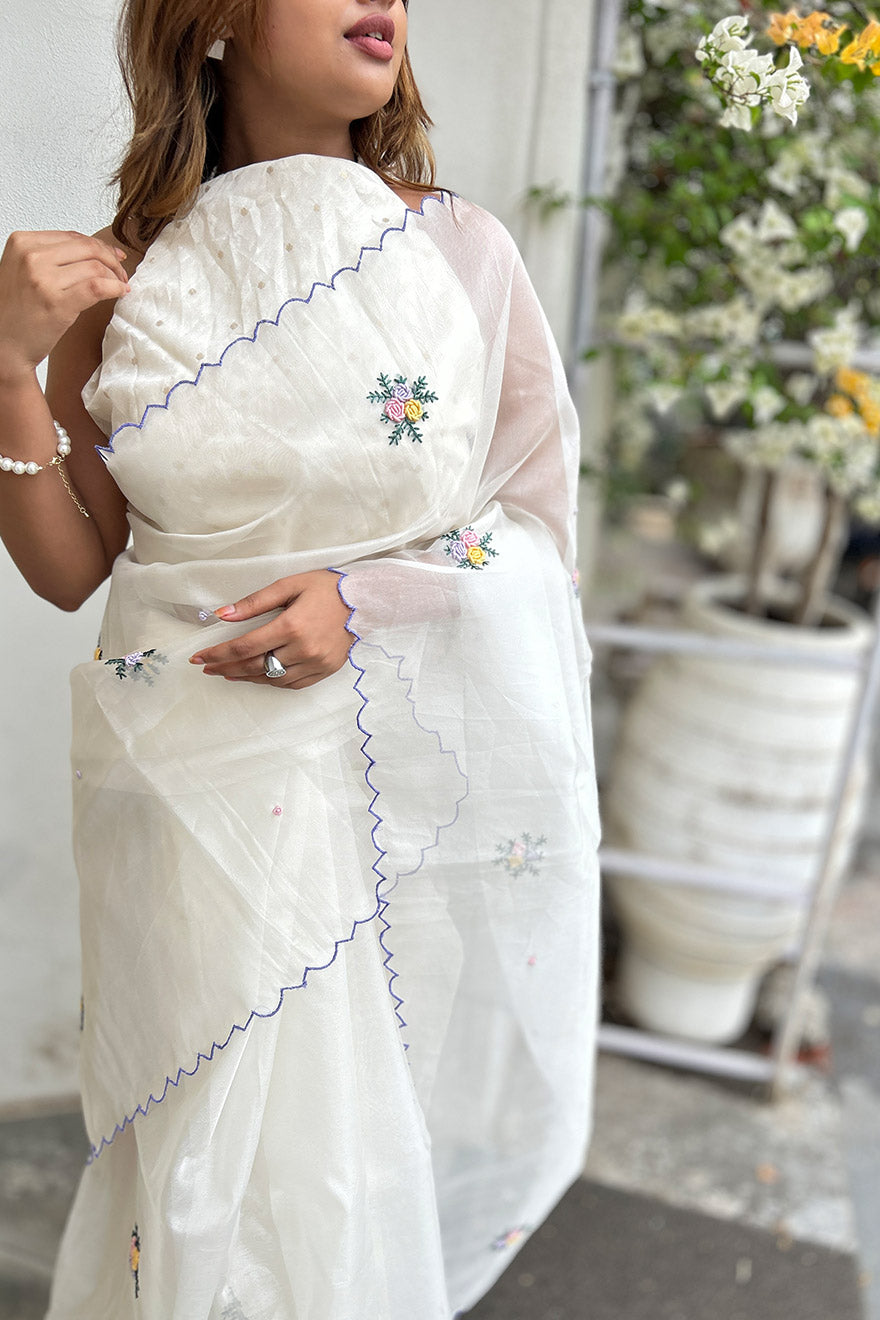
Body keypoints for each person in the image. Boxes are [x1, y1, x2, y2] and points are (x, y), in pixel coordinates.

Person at [0, 1, 602, 1315]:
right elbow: (72, 565)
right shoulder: (124, 279)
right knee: (195, 1170)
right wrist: (3, 366)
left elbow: (533, 538)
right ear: (215, 20)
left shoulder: (457, 251)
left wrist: (365, 600)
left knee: (338, 1171)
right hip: (183, 803)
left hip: (380, 801)